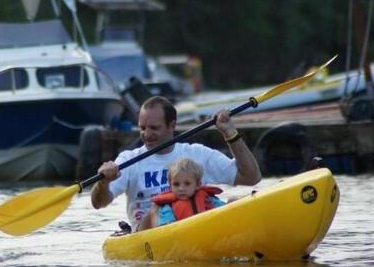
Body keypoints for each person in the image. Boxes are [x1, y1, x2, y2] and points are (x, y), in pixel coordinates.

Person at [91, 96, 261, 231]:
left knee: (235, 201)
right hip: (148, 233)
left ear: (172, 125)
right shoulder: (128, 160)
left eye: (154, 128)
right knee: (155, 211)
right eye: (142, 128)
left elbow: (251, 177)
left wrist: (230, 133)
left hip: (196, 225)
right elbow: (99, 203)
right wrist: (103, 183)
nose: (146, 134)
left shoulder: (197, 153)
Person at [143, 157, 225, 228]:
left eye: (187, 183)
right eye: (176, 184)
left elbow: (224, 209)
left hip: (208, 231)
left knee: (231, 199)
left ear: (197, 185)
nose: (181, 188)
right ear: (170, 186)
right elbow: (167, 226)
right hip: (184, 236)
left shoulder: (208, 199)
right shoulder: (168, 207)